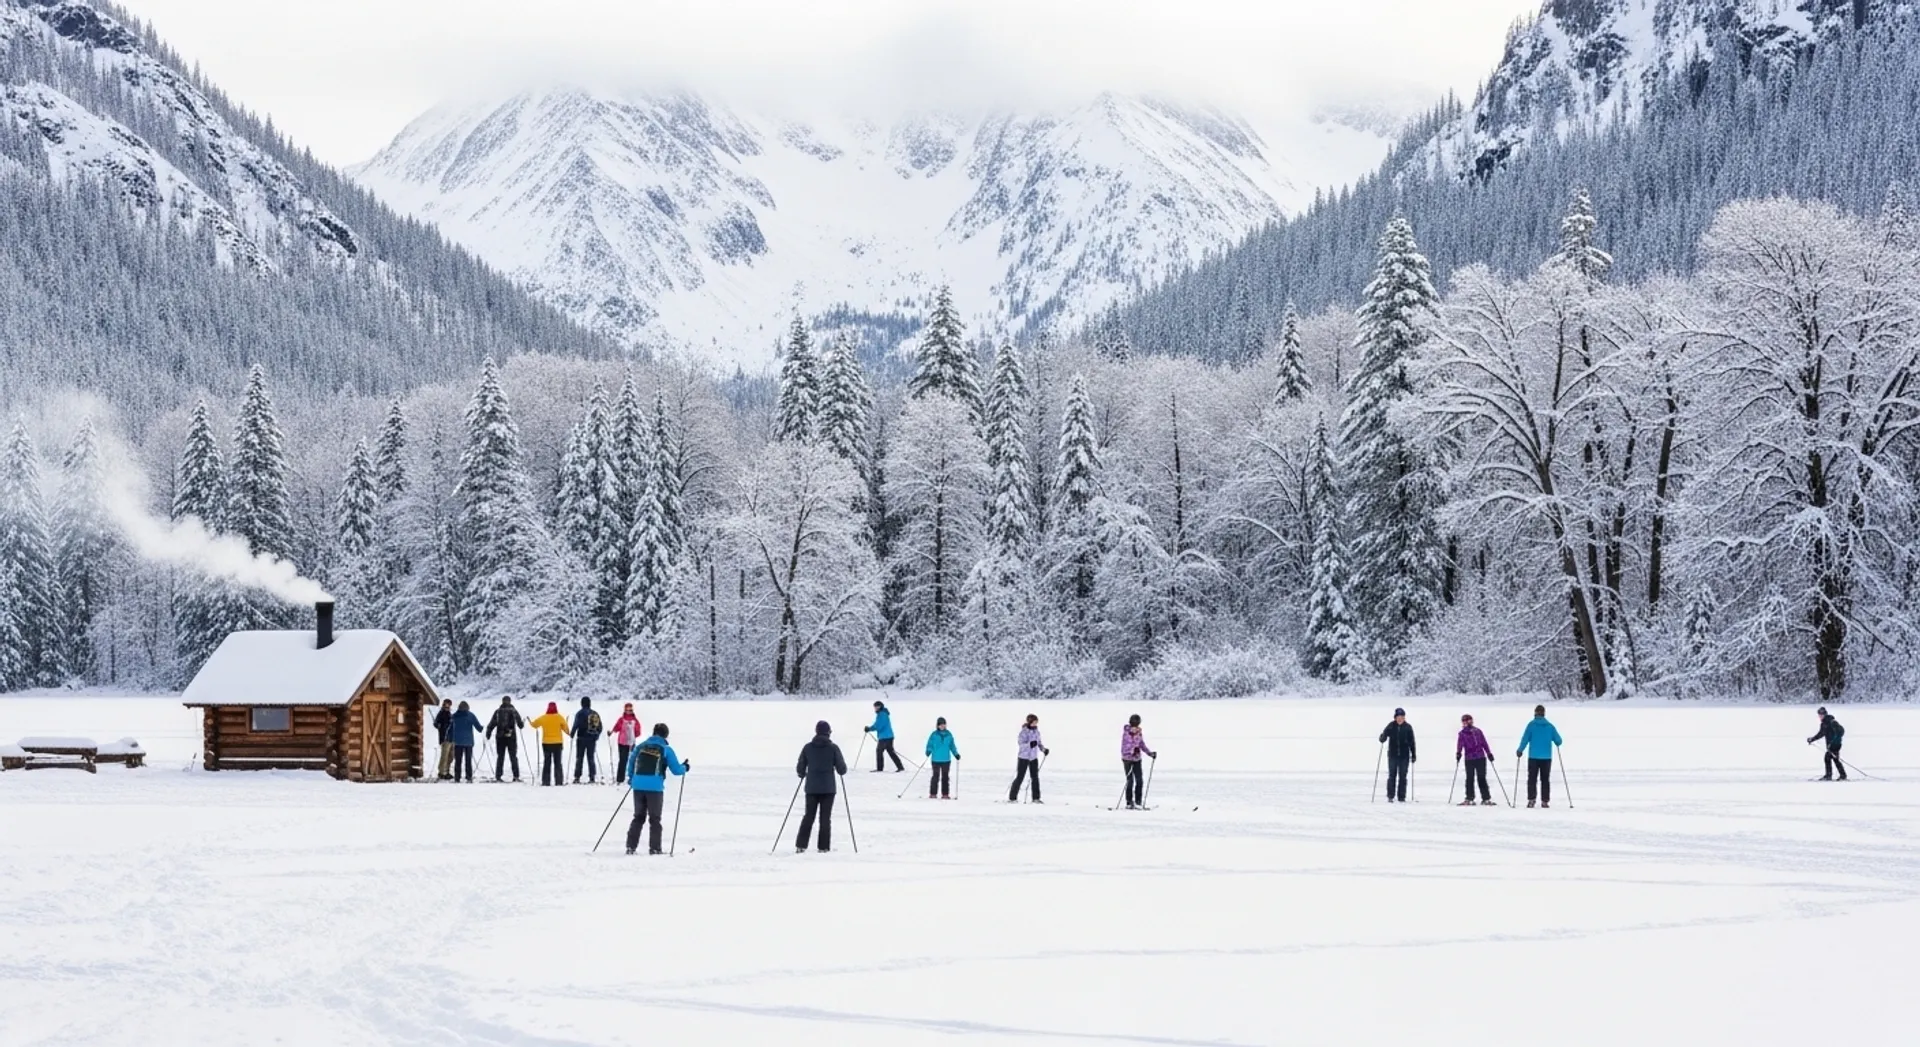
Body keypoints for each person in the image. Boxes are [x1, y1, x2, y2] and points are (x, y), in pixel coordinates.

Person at [624, 723, 689, 855]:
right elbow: (676, 770)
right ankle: (655, 848)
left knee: (638, 817)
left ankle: (631, 847)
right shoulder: (665, 749)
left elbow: (631, 762)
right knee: (654, 819)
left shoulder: (641, 746)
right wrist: (685, 768)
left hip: (638, 786)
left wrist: (631, 778)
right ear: (666, 735)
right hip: (655, 788)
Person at [795, 720, 848, 852]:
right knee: (825, 818)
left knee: (808, 816)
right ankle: (823, 847)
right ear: (828, 732)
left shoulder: (808, 747)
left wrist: (802, 773)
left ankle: (801, 846)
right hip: (828, 789)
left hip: (811, 788)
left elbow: (800, 767)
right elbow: (842, 769)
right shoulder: (833, 748)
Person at [1516, 705, 1563, 808]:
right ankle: (1545, 801)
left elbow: (1525, 739)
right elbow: (1559, 741)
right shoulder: (1550, 726)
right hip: (1546, 758)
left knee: (1532, 779)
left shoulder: (1531, 725)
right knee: (1545, 779)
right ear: (1544, 713)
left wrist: (1520, 750)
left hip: (1533, 757)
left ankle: (1531, 800)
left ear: (1535, 713)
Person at [1378, 708, 1416, 803]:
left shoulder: (1408, 727)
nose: (1400, 719)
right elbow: (1384, 736)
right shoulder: (1391, 726)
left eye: (1402, 717)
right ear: (1395, 717)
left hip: (1404, 756)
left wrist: (1414, 754)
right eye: (1398, 717)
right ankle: (1390, 795)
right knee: (1392, 775)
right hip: (1393, 755)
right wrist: (1382, 738)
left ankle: (1401, 797)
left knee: (1403, 776)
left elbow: (1412, 742)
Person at [530, 701, 572, 786]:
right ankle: (559, 781)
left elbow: (534, 725)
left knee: (547, 762)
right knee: (558, 763)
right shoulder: (559, 717)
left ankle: (546, 782)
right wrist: (566, 724)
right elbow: (567, 731)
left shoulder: (544, 717)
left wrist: (529, 722)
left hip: (546, 743)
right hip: (558, 743)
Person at [1455, 713, 1493, 806]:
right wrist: (1458, 753)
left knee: (1481, 778)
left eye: (1466, 721)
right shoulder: (1462, 733)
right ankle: (1469, 798)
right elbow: (1460, 744)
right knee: (1470, 778)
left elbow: (1484, 743)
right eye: (1463, 722)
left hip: (1480, 757)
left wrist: (1489, 753)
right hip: (1469, 758)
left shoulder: (1478, 731)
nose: (1465, 723)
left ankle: (1486, 798)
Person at [484, 696, 525, 782]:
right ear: (510, 701)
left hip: (500, 737)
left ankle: (498, 776)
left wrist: (488, 733)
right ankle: (516, 776)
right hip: (511, 737)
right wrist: (521, 724)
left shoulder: (498, 711)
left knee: (500, 757)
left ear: (502, 701)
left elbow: (491, 724)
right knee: (513, 757)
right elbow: (520, 725)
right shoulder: (513, 711)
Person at [1120, 714, 1157, 810]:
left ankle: (1138, 802)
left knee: (1139, 780)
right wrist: (1132, 752)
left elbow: (1141, 744)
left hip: (1137, 759)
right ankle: (1129, 802)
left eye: (1137, 723)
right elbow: (1125, 747)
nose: (1135, 725)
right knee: (1130, 781)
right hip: (1127, 760)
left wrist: (1150, 753)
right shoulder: (1127, 733)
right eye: (1134, 723)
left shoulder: (1139, 733)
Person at [1009, 714, 1047, 803]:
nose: (1035, 724)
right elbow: (1021, 744)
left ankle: (1036, 798)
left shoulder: (1037, 732)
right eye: (1034, 722)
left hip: (1033, 758)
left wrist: (1043, 749)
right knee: (1020, 777)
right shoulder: (1024, 732)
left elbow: (1039, 743)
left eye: (1036, 722)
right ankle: (1012, 798)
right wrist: (1029, 745)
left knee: (1035, 778)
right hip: (1023, 757)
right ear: (1029, 722)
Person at [447, 700, 484, 783]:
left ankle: (457, 777)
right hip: (468, 742)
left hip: (457, 742)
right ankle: (469, 777)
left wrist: (449, 738)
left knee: (458, 760)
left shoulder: (454, 716)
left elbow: (450, 728)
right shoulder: (471, 715)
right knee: (468, 760)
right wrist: (482, 728)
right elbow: (478, 727)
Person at [925, 717, 961, 799]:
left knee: (945, 777)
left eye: (944, 724)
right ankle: (933, 793)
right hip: (936, 759)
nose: (942, 726)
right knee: (935, 777)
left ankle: (945, 794)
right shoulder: (934, 735)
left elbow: (952, 746)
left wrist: (956, 754)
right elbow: (929, 744)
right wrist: (928, 751)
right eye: (940, 725)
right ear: (937, 726)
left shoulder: (949, 734)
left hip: (946, 760)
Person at [1807, 707, 1847, 781]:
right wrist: (1812, 739)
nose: (1820, 716)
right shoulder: (1824, 724)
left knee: (1828, 758)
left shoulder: (1832, 722)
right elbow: (1821, 734)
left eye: (1821, 715)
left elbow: (1839, 732)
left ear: (1825, 714)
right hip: (1830, 745)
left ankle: (1831, 776)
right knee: (1834, 759)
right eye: (1819, 715)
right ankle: (1841, 775)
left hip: (1835, 744)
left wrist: (1833, 742)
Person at [572, 697, 604, 784]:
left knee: (579, 758)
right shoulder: (594, 713)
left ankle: (577, 777)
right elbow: (600, 727)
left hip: (581, 739)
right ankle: (592, 777)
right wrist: (596, 736)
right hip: (591, 739)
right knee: (591, 758)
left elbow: (575, 725)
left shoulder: (579, 713)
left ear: (582, 703)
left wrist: (572, 734)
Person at [866, 700, 904, 772]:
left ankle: (880, 769)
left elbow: (879, 726)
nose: (875, 708)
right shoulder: (882, 714)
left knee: (879, 751)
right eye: (875, 707)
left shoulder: (882, 714)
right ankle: (900, 767)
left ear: (880, 706)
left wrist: (869, 728)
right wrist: (870, 728)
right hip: (887, 736)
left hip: (885, 737)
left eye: (876, 707)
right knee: (890, 752)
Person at [610, 702, 644, 778]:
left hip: (631, 743)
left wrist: (633, 734)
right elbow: (616, 727)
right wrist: (611, 732)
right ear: (625, 710)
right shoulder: (621, 719)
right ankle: (620, 778)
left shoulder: (635, 721)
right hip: (622, 742)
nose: (628, 711)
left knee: (632, 760)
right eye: (627, 710)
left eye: (630, 710)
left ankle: (631, 776)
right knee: (622, 760)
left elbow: (638, 732)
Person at [432, 699, 455, 781]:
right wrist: (441, 727)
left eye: (449, 704)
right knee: (444, 756)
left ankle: (447, 771)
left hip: (452, 738)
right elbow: (435, 723)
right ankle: (442, 772)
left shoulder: (450, 714)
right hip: (445, 738)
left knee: (451, 756)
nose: (447, 706)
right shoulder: (441, 713)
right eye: (446, 704)